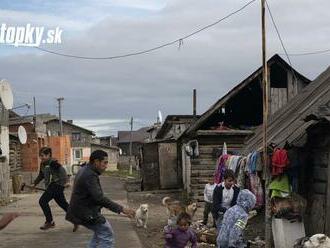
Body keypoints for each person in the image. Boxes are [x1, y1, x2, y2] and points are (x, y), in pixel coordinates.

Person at [66, 150, 135, 248]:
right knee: (106, 234)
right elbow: (99, 198)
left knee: (99, 235)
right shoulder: (90, 175)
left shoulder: (85, 169)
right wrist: (121, 209)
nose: (106, 166)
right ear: (96, 162)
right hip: (85, 213)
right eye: (105, 163)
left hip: (80, 211)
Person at [33, 147, 70, 230]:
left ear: (48, 155)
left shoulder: (53, 163)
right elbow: (41, 175)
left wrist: (66, 182)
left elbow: (62, 171)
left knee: (42, 201)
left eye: (42, 156)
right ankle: (78, 218)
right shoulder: (43, 164)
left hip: (57, 185)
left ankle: (49, 222)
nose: (41, 157)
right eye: (40, 156)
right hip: (52, 186)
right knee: (63, 204)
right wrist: (35, 183)